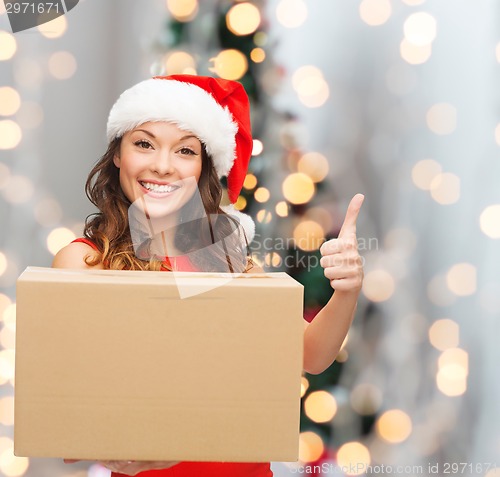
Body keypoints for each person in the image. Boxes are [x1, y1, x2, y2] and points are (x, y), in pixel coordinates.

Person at [53, 75, 365, 477]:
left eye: (184, 151)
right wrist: (130, 445)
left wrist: (346, 290)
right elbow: (66, 398)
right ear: (117, 154)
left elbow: (309, 356)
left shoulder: (226, 259)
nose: (162, 166)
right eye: (144, 143)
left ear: (202, 167)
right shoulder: (83, 263)